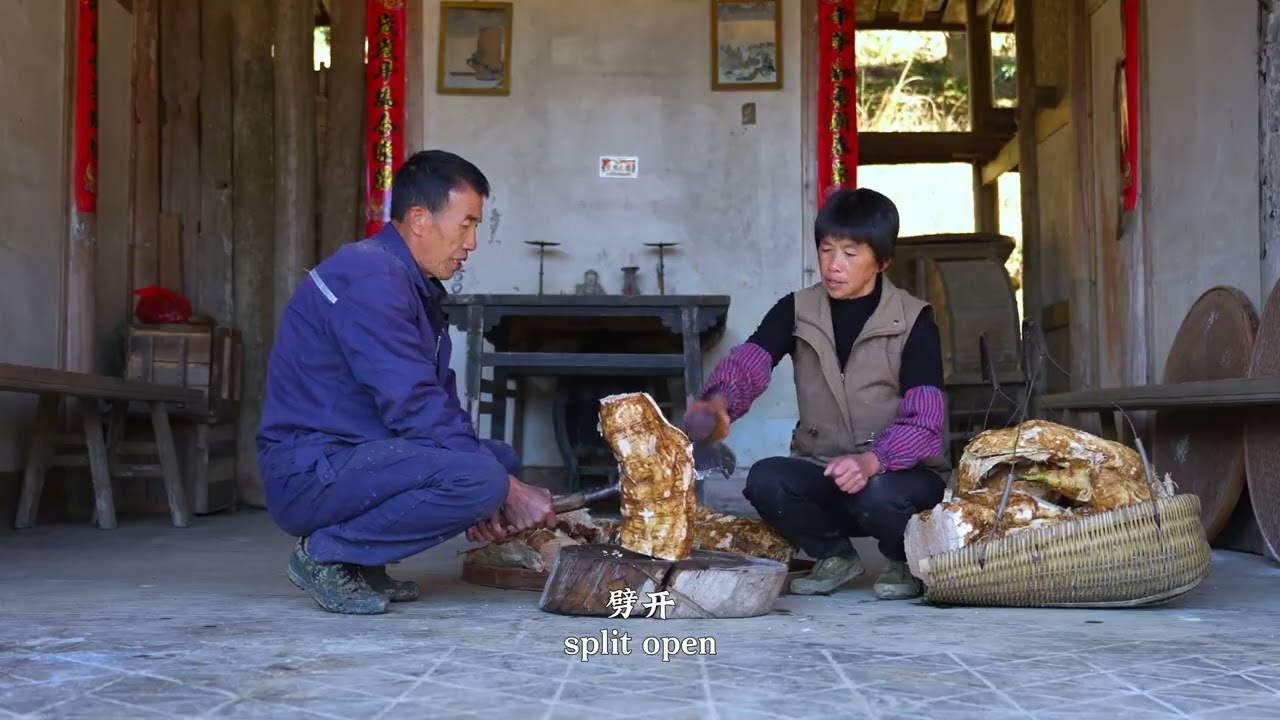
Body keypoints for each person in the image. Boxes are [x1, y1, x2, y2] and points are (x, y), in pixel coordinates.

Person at [256, 150, 556, 615]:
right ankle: (327, 554)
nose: (472, 243)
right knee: (484, 477)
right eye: (466, 224)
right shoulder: (369, 277)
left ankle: (362, 563)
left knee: (497, 461)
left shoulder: (407, 282)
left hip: (355, 456)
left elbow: (436, 402)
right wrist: (505, 492)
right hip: (310, 472)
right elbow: (414, 405)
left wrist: (498, 483)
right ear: (419, 219)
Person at [683, 187, 950, 600]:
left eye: (849, 253)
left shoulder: (914, 320)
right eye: (826, 250)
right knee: (765, 479)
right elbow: (751, 362)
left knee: (877, 493)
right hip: (825, 469)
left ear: (882, 261)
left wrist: (872, 460)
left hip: (899, 481)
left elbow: (927, 421)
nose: (833, 265)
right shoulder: (796, 308)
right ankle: (835, 556)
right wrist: (718, 404)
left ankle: (905, 559)